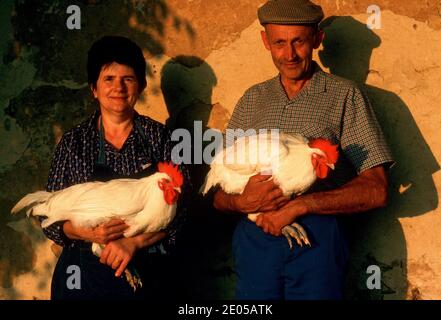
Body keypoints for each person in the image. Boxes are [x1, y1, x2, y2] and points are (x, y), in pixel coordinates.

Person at [213, 0, 394, 300]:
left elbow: (377, 189)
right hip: (256, 238)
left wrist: (301, 206)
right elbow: (216, 195)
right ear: (265, 42)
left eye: (299, 41)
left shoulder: (344, 96)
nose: (289, 54)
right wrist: (241, 202)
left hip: (317, 239)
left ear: (317, 39)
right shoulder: (252, 100)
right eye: (279, 43)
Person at [39, 35, 191, 300]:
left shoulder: (160, 138)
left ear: (141, 86)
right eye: (109, 79)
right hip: (83, 273)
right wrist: (88, 232)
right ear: (94, 88)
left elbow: (185, 211)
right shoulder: (74, 142)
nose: (118, 87)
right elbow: (48, 219)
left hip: (147, 268)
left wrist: (132, 242)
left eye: (128, 79)